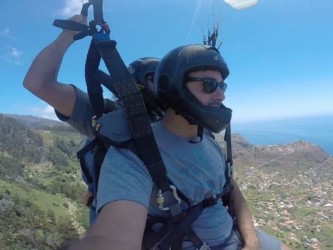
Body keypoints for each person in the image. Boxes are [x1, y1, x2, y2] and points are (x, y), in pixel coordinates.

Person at [58, 44, 290, 249]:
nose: (220, 95)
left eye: (222, 86)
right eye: (209, 85)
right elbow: (114, 237)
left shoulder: (207, 139)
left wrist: (251, 241)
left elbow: (231, 190)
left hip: (236, 236)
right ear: (175, 87)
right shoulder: (135, 154)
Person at [23, 14, 162, 225]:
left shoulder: (182, 119)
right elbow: (38, 83)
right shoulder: (109, 118)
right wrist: (67, 36)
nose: (164, 87)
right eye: (156, 80)